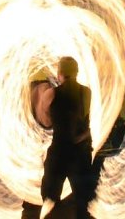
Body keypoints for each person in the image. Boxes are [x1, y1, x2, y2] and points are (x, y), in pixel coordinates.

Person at [23, 57, 95, 219]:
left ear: (60, 73)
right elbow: (81, 116)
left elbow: (45, 121)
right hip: (81, 151)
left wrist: (40, 98)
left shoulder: (51, 93)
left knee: (50, 196)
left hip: (60, 151)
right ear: (76, 72)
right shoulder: (87, 92)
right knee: (82, 200)